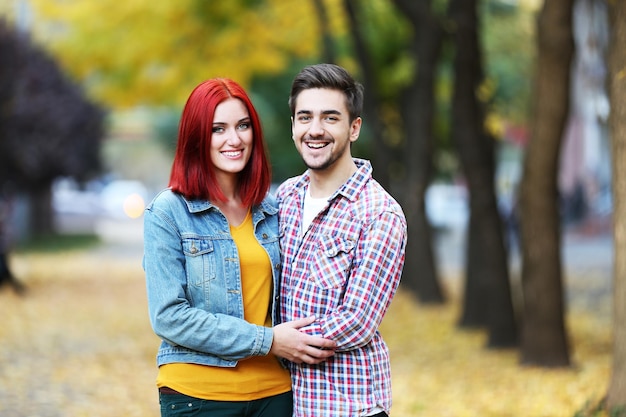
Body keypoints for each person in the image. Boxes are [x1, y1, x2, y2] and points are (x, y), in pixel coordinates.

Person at [143, 78, 336, 417]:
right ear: (197, 138)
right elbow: (169, 317)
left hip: (275, 395)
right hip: (198, 396)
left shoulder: (272, 210)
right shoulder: (169, 212)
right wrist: (268, 341)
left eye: (243, 126)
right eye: (218, 129)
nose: (234, 139)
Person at [275, 63, 407, 417]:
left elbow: (357, 320)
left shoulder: (379, 213)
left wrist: (274, 341)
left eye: (330, 118)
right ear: (293, 127)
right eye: (305, 117)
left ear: (354, 128)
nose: (314, 130)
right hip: (283, 401)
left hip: (345, 405)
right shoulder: (284, 198)